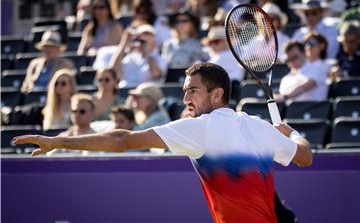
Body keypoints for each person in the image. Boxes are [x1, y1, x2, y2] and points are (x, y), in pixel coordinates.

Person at [14, 62, 312, 223]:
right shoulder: (258, 127)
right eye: (185, 91)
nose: (185, 99)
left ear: (217, 94)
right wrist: (292, 133)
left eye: (193, 91)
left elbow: (124, 140)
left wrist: (57, 141)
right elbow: (304, 157)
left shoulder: (201, 128)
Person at [202, 26, 245, 100]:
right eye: (210, 42)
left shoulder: (224, 56)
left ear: (225, 42)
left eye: (216, 41)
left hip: (229, 91)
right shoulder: (234, 55)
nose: (213, 45)